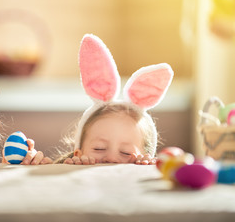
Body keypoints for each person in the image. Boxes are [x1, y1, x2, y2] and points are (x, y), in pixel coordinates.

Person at [54, 34, 174, 165]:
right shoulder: (67, 171)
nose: (111, 158)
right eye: (99, 148)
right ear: (78, 153)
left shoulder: (146, 174)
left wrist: (148, 168)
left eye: (126, 153)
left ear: (146, 156)